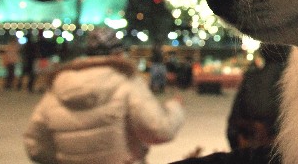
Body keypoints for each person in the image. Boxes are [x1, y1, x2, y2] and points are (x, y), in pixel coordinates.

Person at [24, 27, 185, 164]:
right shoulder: (127, 82)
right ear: (119, 53)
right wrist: (175, 107)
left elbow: (34, 146)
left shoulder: (59, 85)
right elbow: (159, 130)